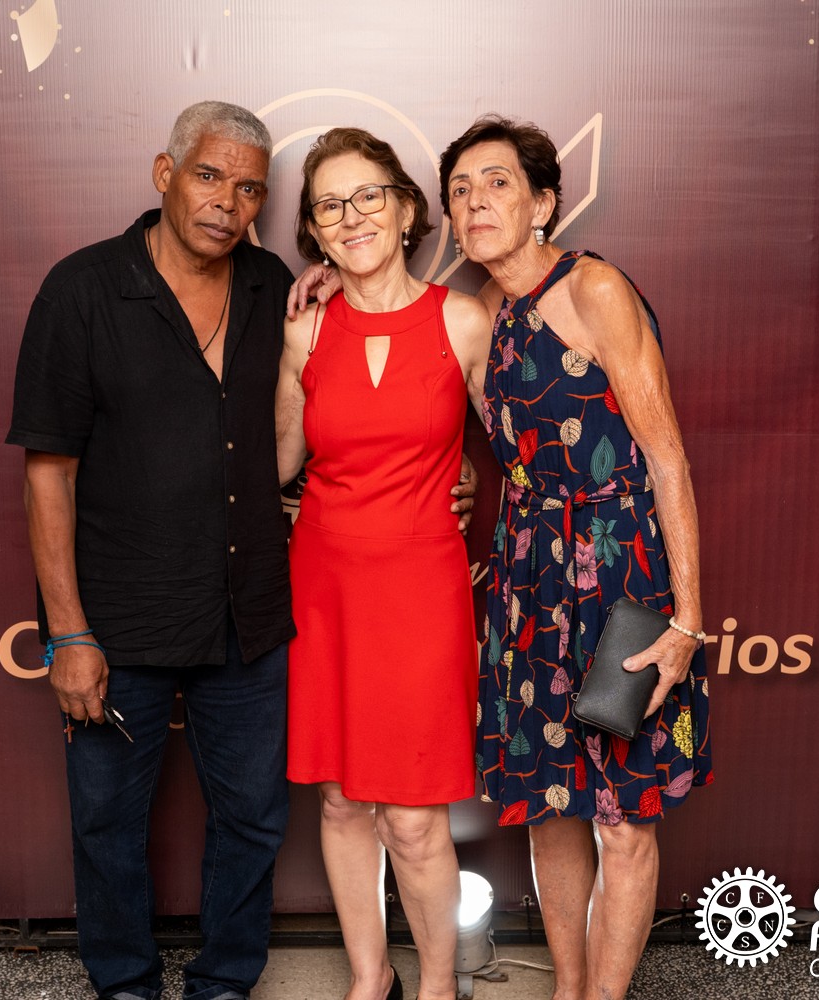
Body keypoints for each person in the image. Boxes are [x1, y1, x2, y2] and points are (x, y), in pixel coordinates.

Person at [7, 101, 294, 1000]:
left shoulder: (272, 285)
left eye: (249, 189)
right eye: (209, 176)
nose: (227, 203)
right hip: (117, 621)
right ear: (165, 174)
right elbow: (48, 475)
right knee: (106, 825)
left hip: (246, 612)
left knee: (254, 817)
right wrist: (68, 634)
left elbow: (325, 412)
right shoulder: (82, 290)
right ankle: (125, 983)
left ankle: (226, 982)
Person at [442, 115, 713, 1000]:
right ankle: (568, 988)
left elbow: (666, 457)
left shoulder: (593, 289)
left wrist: (686, 622)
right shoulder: (483, 316)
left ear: (543, 203)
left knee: (625, 817)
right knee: (550, 802)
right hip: (528, 573)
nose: (476, 202)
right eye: (459, 191)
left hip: (622, 567)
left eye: (497, 183)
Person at [275, 128, 492, 1000]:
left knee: (412, 816)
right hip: (324, 587)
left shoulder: (462, 320)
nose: (351, 216)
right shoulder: (306, 328)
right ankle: (371, 981)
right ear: (314, 232)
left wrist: (471, 472)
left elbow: (520, 445)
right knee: (338, 800)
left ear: (406, 211)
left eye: (369, 195)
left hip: (421, 591)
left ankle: (437, 986)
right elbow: (278, 462)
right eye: (329, 204)